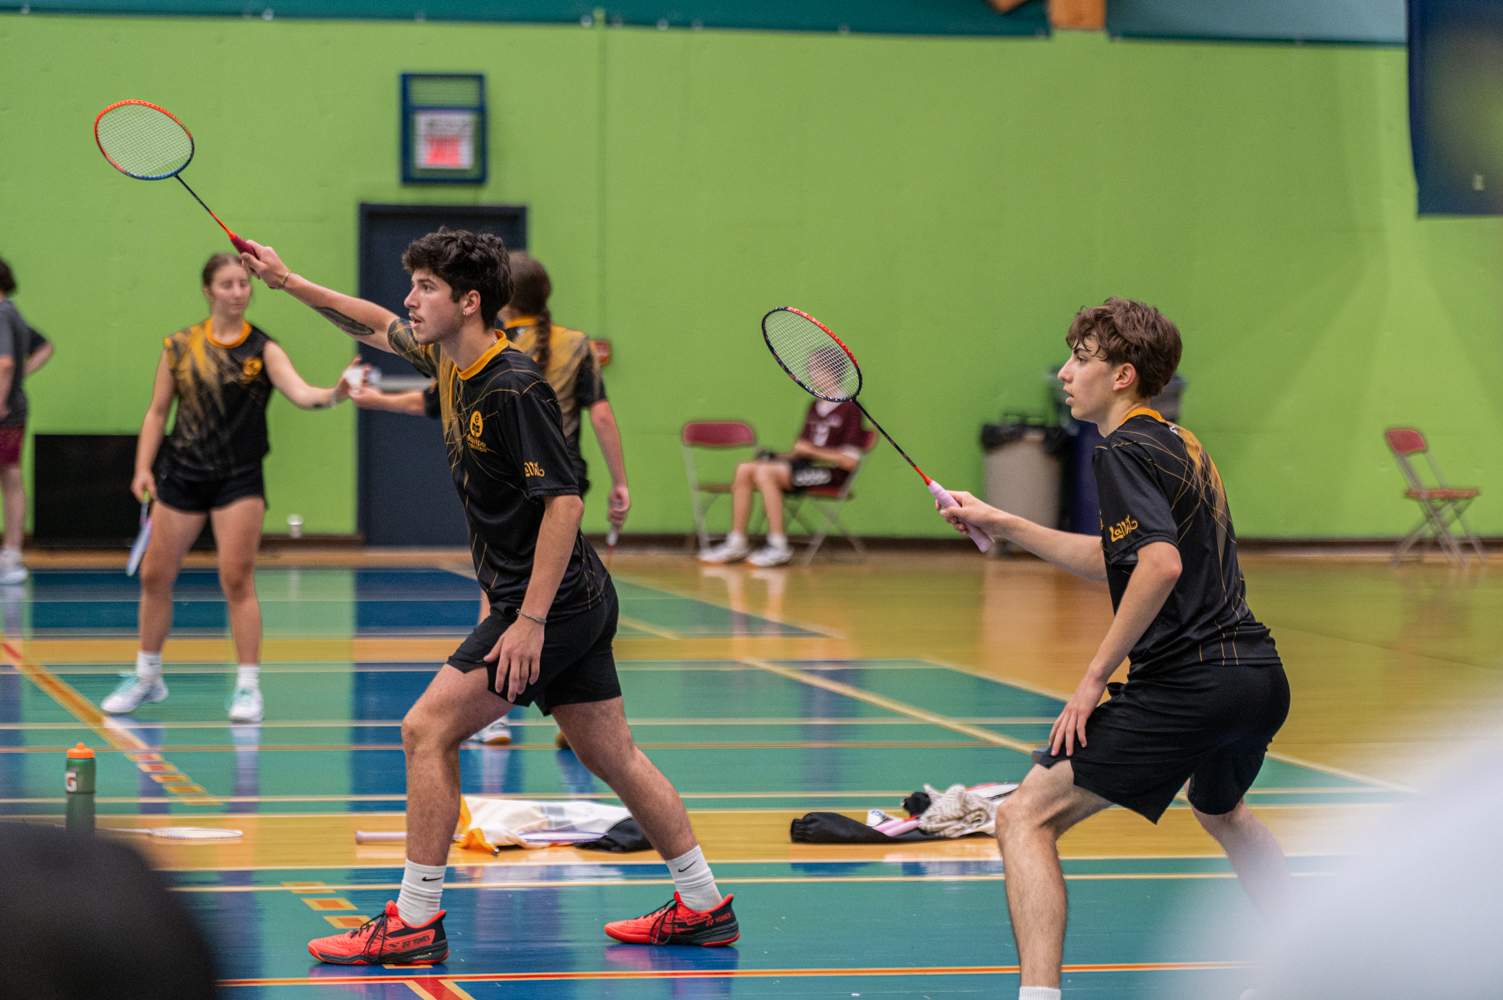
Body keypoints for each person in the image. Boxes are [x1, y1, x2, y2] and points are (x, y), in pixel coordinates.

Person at [238, 228, 738, 964]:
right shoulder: (448, 359)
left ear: (469, 302)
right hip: (569, 595)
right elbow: (372, 322)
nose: (410, 300)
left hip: (549, 602)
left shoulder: (514, 385)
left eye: (426, 288)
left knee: (425, 730)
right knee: (616, 757)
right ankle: (703, 904)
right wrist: (287, 282)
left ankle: (414, 920)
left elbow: (565, 502)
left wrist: (529, 621)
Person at [938, 299, 1292, 1000]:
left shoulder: (1120, 450)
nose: (1066, 374)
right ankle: (1314, 967)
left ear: (1122, 375)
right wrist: (1003, 521)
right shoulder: (1179, 443)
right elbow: (1118, 560)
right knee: (1222, 812)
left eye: (1081, 360)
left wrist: (1092, 677)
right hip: (1256, 677)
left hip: (1188, 683)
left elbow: (1158, 565)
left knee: (1023, 816)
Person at [101, 253, 353, 724]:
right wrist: (142, 468)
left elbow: (303, 394)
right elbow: (158, 412)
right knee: (155, 576)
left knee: (236, 579)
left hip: (238, 480)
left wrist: (336, 393)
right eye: (227, 284)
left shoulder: (263, 349)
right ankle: (148, 677)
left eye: (243, 283)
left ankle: (248, 687)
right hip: (182, 475)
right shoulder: (179, 346)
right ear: (208, 291)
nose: (238, 292)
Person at [698, 346, 866, 567]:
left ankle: (779, 546)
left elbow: (850, 461)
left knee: (765, 473)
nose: (809, 373)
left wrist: (812, 451)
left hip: (829, 474)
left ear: (830, 371)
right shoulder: (815, 406)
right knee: (745, 468)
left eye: (814, 368)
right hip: (803, 467)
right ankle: (737, 542)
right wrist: (779, 456)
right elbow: (801, 451)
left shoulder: (851, 409)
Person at [0, 255, 54, 586]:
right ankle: (11, 553)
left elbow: (5, 363)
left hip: (5, 412)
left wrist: (1, 399)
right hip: (14, 408)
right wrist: (22, 377)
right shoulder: (13, 313)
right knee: (11, 476)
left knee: (11, 477)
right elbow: (45, 347)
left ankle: (10, 555)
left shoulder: (1, 314)